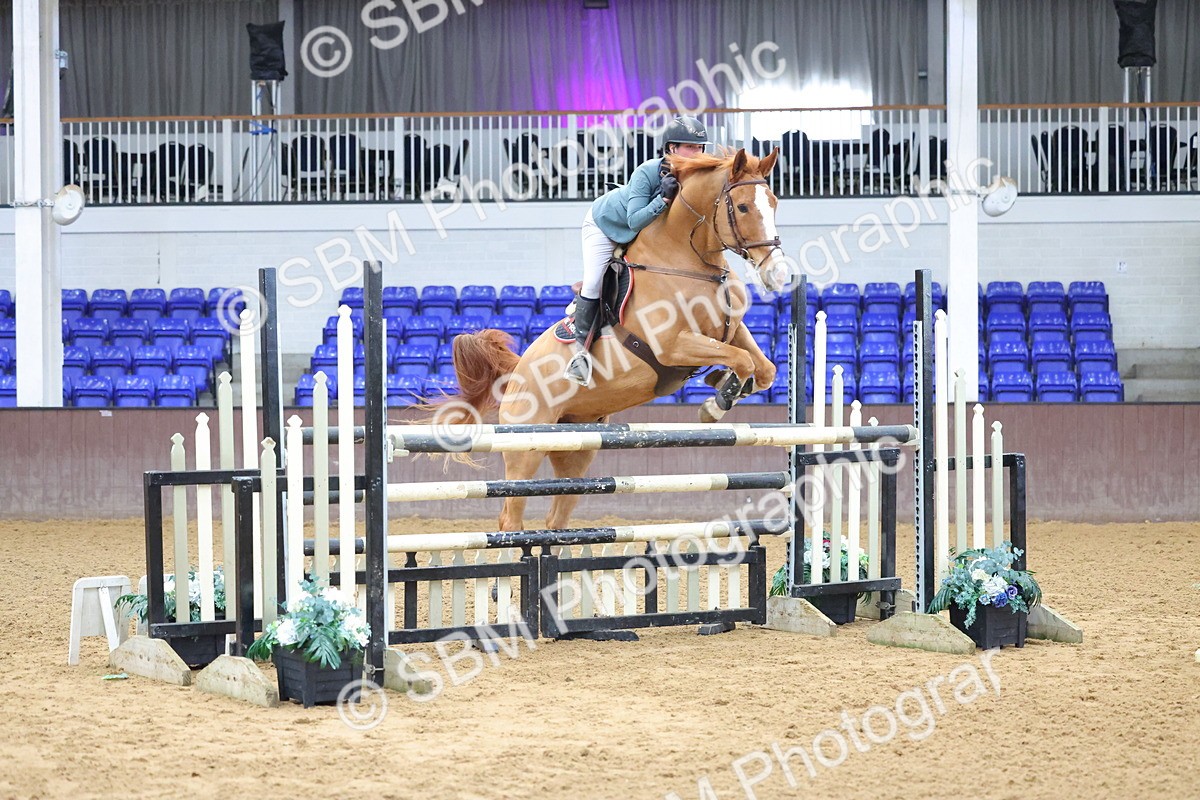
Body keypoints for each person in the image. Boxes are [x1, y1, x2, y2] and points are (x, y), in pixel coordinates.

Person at [563, 115, 709, 385]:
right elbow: (634, 221)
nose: (697, 153)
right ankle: (580, 355)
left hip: (644, 234)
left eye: (700, 147)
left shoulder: (696, 177)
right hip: (606, 225)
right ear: (672, 148)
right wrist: (663, 198)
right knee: (593, 282)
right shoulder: (647, 171)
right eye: (691, 147)